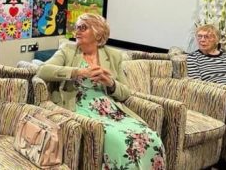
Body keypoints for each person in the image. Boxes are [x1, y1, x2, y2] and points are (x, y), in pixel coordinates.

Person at [37, 13, 166, 169]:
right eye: (76, 27)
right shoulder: (68, 50)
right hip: (79, 106)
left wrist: (110, 83)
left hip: (109, 109)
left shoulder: (113, 56)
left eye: (82, 27)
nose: (76, 31)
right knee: (120, 140)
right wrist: (78, 72)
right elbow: (42, 70)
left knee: (151, 137)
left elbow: (125, 92)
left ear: (97, 33)